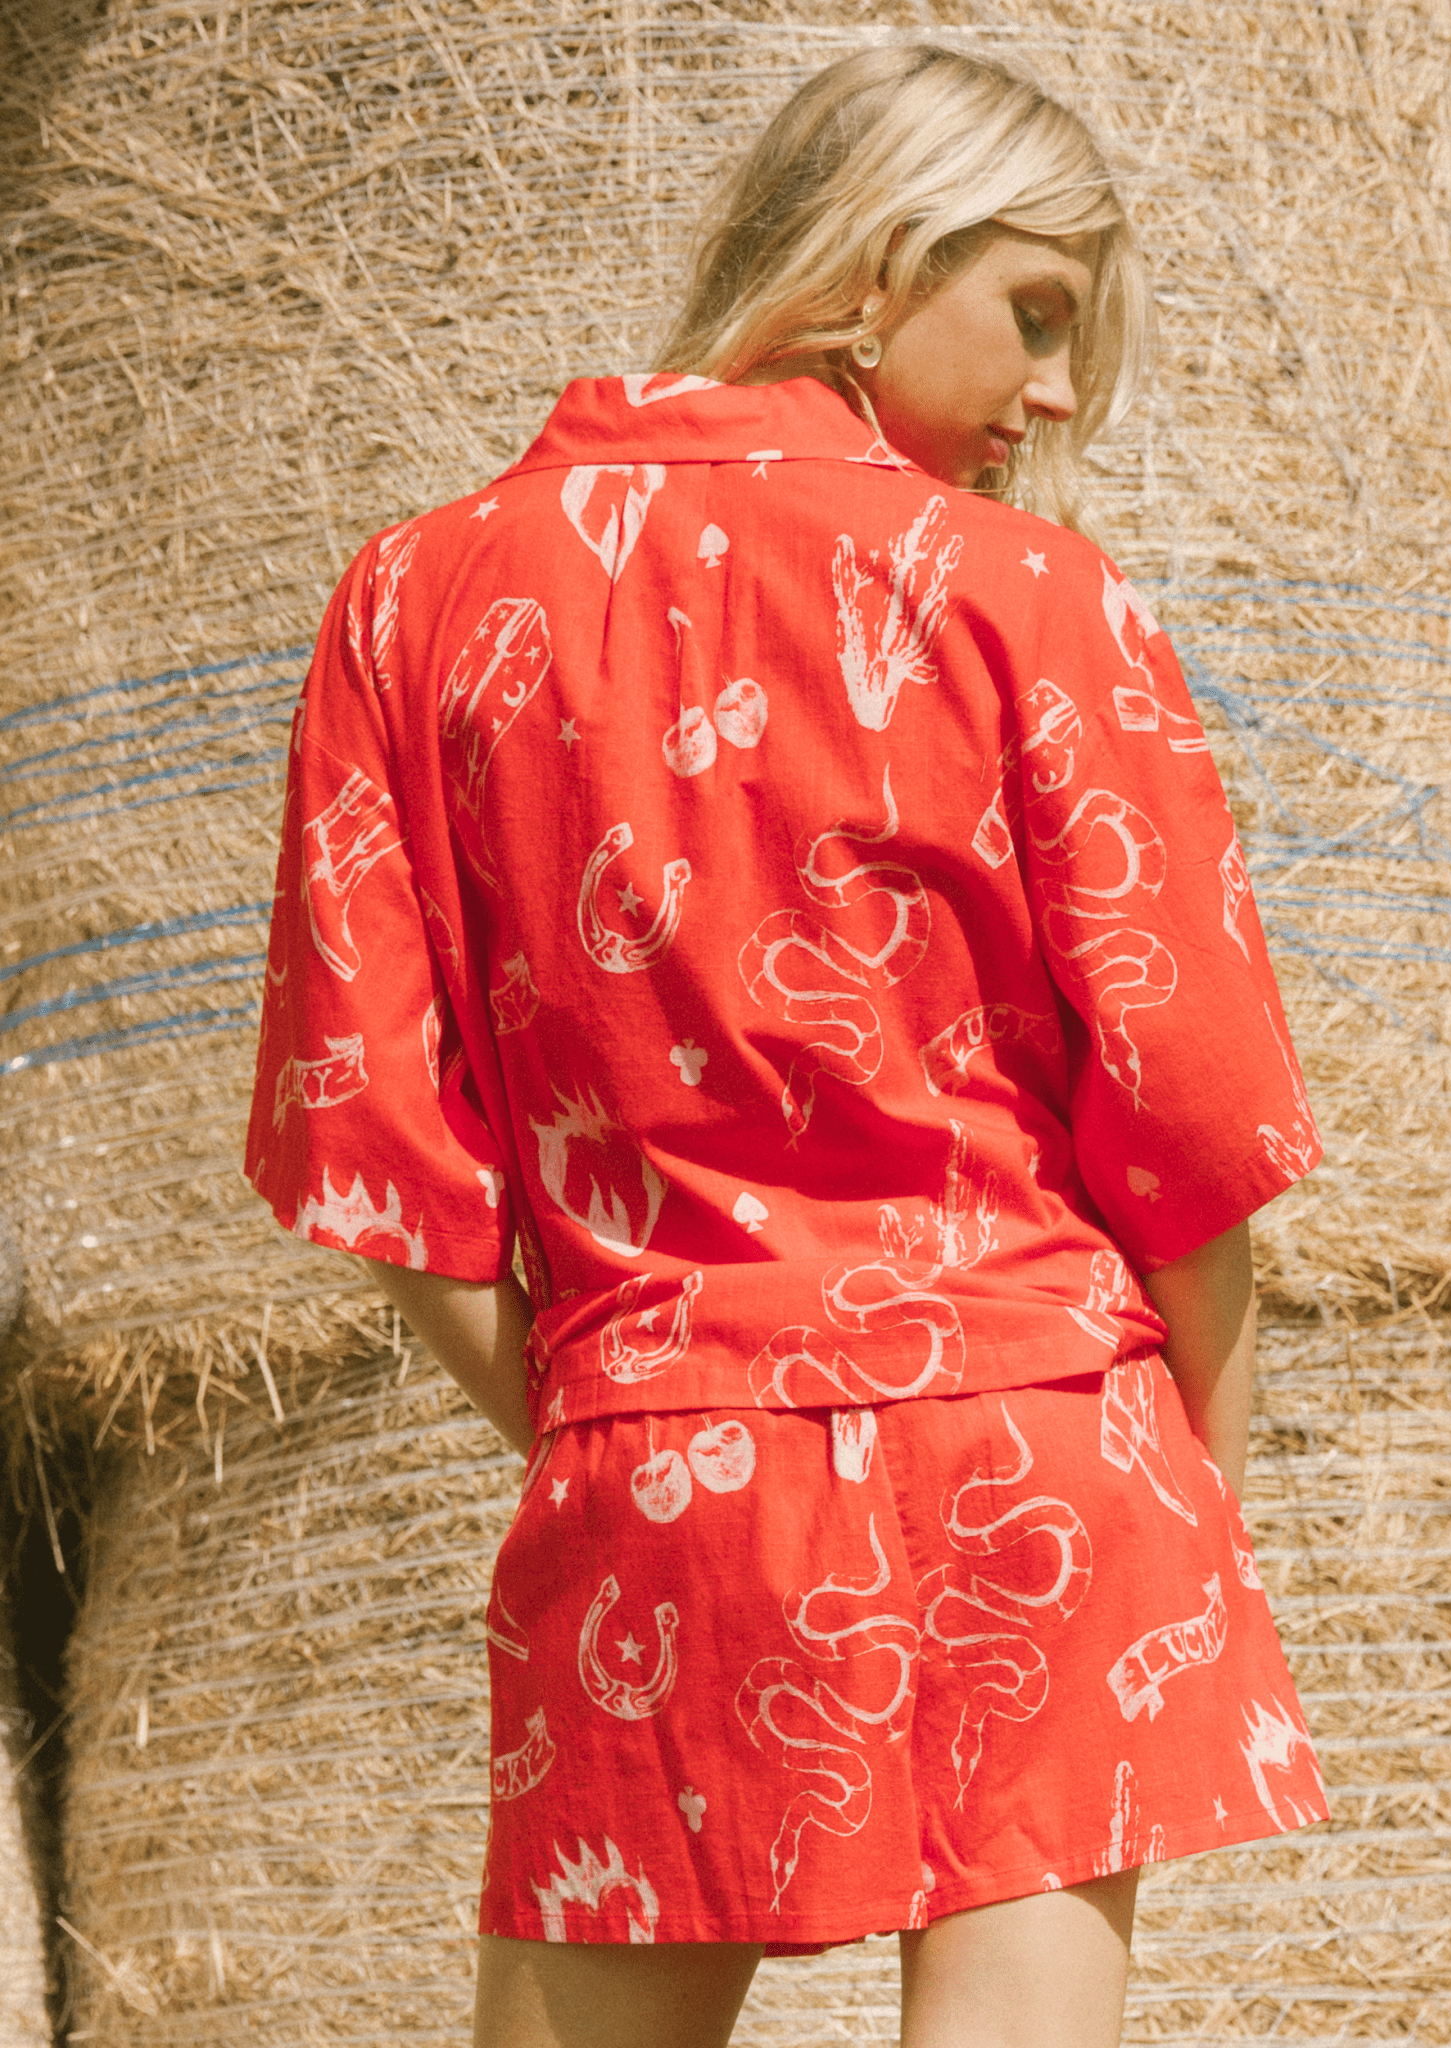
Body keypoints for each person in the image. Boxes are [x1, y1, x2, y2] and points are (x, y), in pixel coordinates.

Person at [244, 40, 1329, 2048]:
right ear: (872, 264)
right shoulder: (1036, 598)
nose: (1058, 393)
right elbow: (1190, 1120)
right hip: (1047, 1439)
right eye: (1038, 314)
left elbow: (373, 1143)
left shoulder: (412, 601)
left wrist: (621, 1419)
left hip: (660, 1455)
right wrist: (1205, 1493)